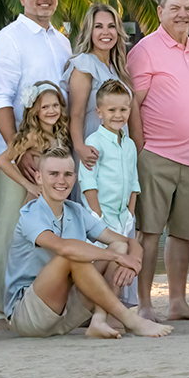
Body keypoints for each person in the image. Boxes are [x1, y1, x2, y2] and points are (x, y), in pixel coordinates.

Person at [3, 147, 174, 339]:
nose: (62, 180)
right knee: (72, 256)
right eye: (54, 174)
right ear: (39, 178)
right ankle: (129, 319)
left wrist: (135, 260)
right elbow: (65, 248)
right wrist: (118, 257)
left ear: (74, 178)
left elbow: (126, 241)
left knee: (119, 246)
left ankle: (99, 319)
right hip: (29, 316)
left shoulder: (75, 210)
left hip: (66, 314)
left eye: (68, 174)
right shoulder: (31, 215)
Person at [0, 0, 72, 330]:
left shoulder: (62, 41)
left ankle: (34, 307)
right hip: (17, 156)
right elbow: (0, 98)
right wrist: (18, 151)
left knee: (50, 234)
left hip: (55, 157)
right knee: (10, 230)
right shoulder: (10, 39)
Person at [127, 0, 189, 322]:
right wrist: (139, 150)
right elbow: (134, 104)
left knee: (181, 234)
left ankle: (178, 302)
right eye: (175, 8)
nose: (183, 15)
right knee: (149, 231)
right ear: (160, 12)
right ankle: (145, 303)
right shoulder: (145, 50)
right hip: (156, 156)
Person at [79, 79, 140, 305]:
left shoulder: (130, 144)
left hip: (122, 216)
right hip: (100, 218)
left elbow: (134, 181)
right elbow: (87, 181)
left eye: (123, 110)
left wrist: (130, 213)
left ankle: (111, 306)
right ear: (100, 112)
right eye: (112, 110)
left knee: (120, 261)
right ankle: (99, 308)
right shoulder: (94, 141)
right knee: (101, 263)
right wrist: (98, 216)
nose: (118, 115)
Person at [63, 3, 133, 170]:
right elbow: (76, 114)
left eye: (111, 26)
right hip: (93, 148)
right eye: (98, 27)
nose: (106, 32)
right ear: (89, 31)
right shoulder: (84, 64)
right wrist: (80, 148)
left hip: (120, 150)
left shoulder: (118, 69)